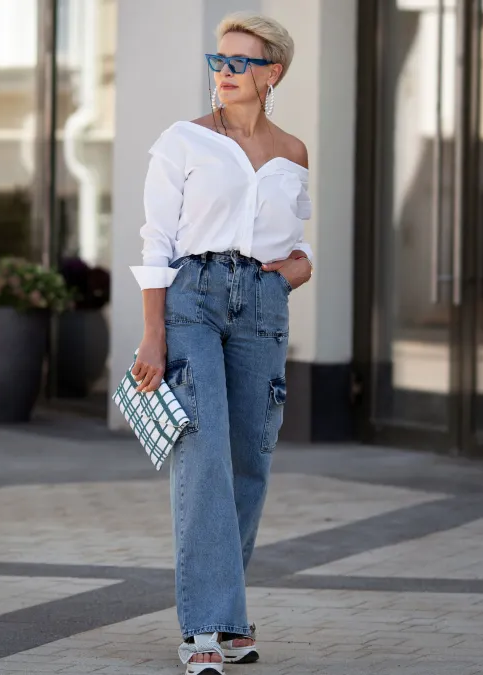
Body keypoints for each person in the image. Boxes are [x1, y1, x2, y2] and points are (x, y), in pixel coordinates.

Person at [128, 12, 314, 675]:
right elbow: (156, 242)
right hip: (192, 301)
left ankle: (228, 620)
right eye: (219, 61)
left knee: (249, 462)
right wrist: (152, 335)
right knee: (202, 457)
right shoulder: (183, 142)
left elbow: (297, 240)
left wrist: (298, 268)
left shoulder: (293, 150)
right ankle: (206, 626)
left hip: (262, 305)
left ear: (272, 74)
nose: (225, 73)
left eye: (240, 63)